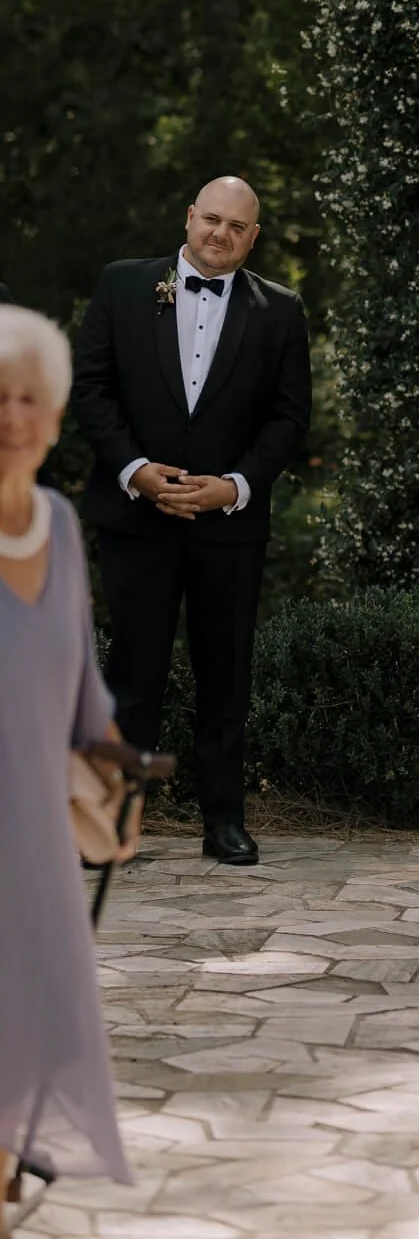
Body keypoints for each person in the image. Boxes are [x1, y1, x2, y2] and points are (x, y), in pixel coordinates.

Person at [70, 177, 311, 867]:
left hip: (227, 525)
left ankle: (224, 822)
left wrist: (232, 487)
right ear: (189, 217)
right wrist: (136, 472)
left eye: (237, 226)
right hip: (134, 516)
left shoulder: (280, 309)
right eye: (211, 219)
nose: (220, 234)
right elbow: (91, 389)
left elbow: (289, 416)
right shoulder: (122, 286)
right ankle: (112, 822)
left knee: (225, 673)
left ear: (253, 237)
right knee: (133, 673)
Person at [0, 307, 134, 1202]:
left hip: (35, 821)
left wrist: (122, 775)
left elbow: (83, 681)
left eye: (28, 399)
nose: (11, 415)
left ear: (53, 419)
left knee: (31, 998)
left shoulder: (60, 523)